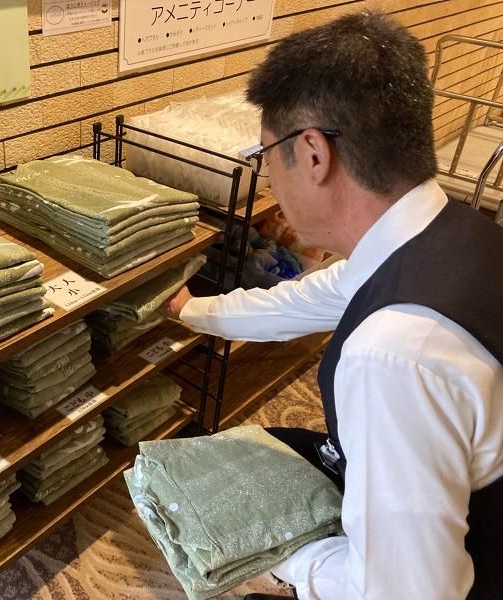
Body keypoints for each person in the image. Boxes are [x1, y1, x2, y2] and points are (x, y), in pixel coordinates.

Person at [162, 11, 503, 600]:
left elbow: (407, 591)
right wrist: (192, 309)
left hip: (476, 561)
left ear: (314, 153)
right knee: (263, 447)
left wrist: (284, 558)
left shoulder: (391, 354)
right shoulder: (454, 230)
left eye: (267, 155)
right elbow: (311, 297)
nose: (271, 176)